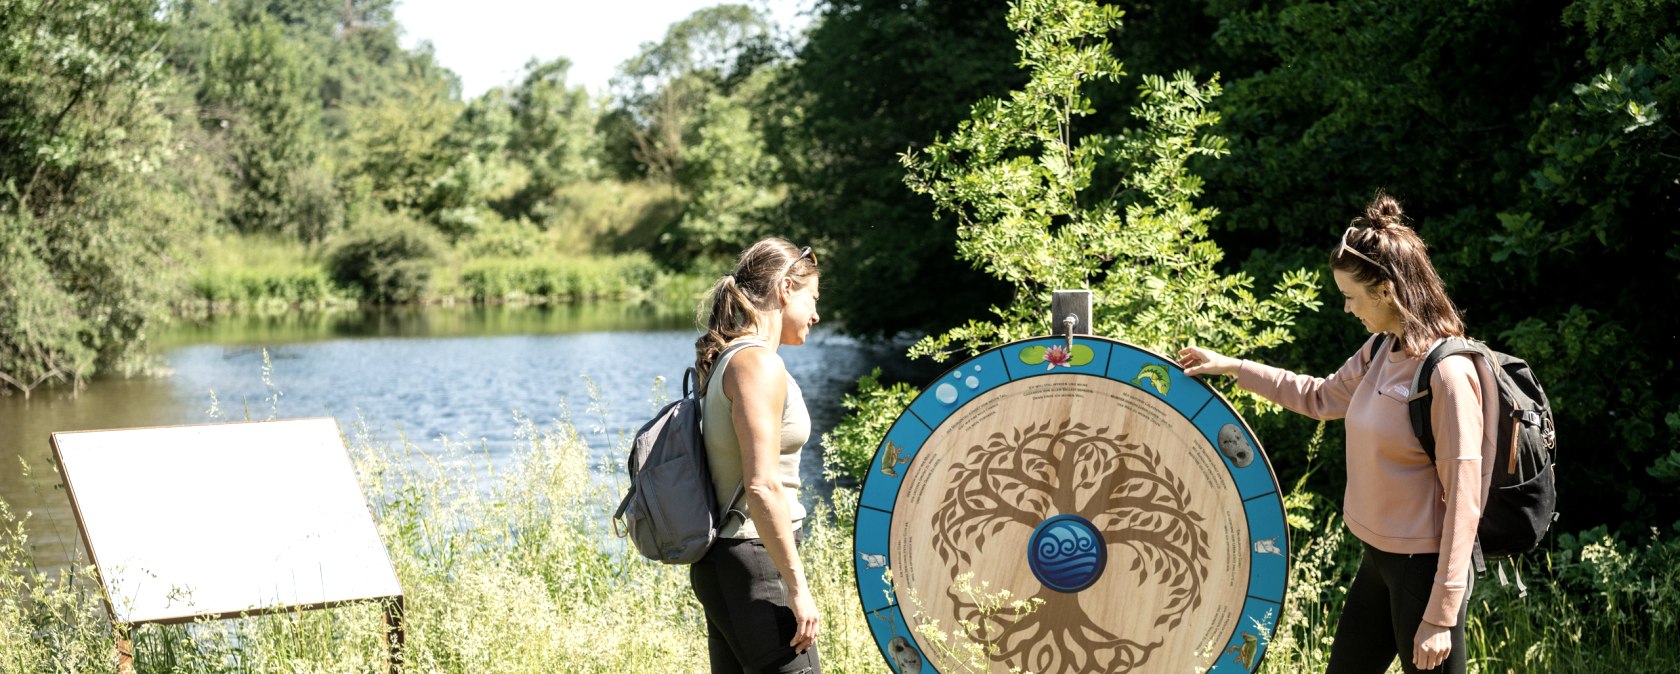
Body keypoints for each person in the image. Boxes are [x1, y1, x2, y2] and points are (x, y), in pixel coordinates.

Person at [1176, 193, 1497, 674]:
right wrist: (1232, 367)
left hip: (1422, 570)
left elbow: (1466, 501)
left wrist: (1441, 613)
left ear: (1387, 289)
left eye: (1350, 296)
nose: (1346, 308)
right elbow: (1319, 397)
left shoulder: (1447, 376)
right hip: (1379, 560)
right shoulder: (1380, 350)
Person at [690, 237, 823, 674]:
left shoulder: (728, 358)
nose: (816, 315)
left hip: (732, 563)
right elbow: (762, 486)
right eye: (812, 298)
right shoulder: (757, 365)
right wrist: (797, 586)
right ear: (786, 289)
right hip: (755, 561)